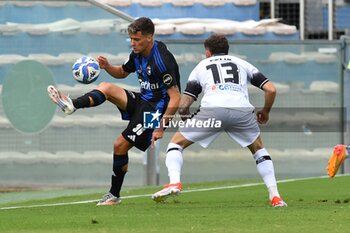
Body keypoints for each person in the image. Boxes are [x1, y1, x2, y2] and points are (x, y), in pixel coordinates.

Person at [47, 17, 181, 206]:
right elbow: (122, 72)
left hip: (155, 112)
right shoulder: (137, 53)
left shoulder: (162, 60)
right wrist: (108, 66)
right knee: (107, 87)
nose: (133, 43)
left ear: (150, 37)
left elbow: (175, 97)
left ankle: (113, 195)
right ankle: (72, 104)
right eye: (131, 39)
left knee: (119, 145)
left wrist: (160, 127)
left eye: (137, 39)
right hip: (144, 101)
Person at [152, 34, 287, 207]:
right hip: (241, 111)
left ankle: (174, 183)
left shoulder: (202, 66)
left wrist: (189, 122)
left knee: (175, 145)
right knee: (259, 150)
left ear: (208, 52)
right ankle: (275, 197)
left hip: (212, 111)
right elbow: (271, 89)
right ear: (226, 50)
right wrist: (265, 111)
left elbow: (183, 105)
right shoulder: (242, 63)